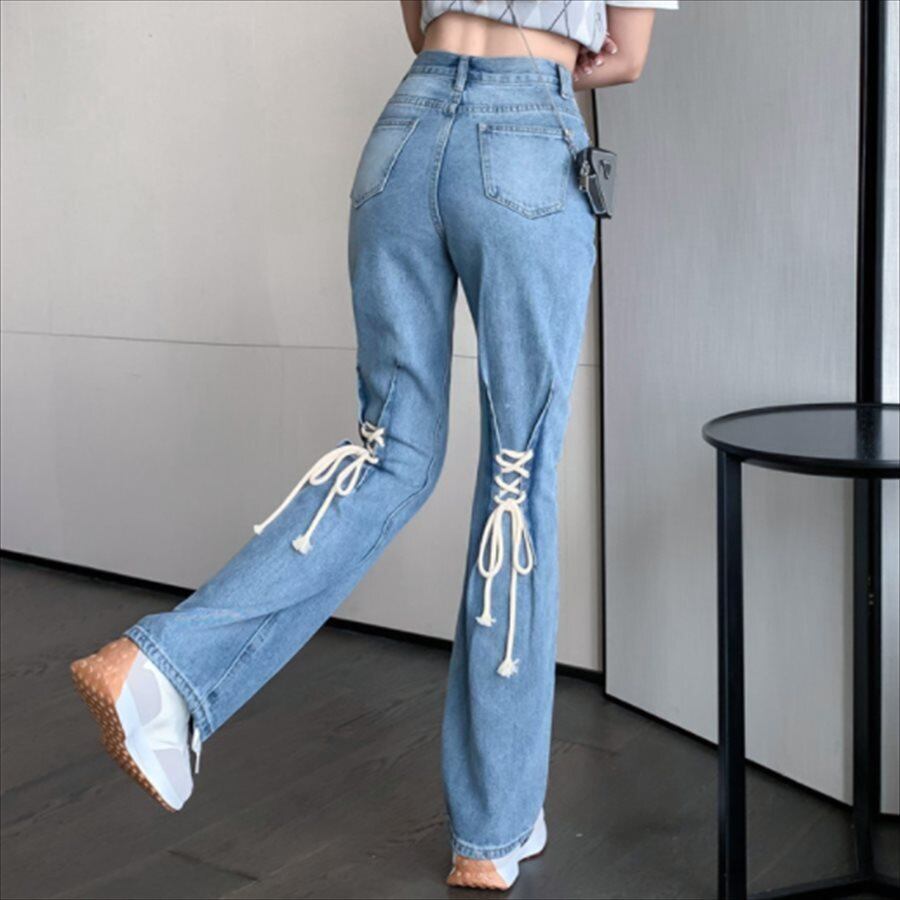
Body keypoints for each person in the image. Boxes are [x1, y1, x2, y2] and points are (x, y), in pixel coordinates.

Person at [70, 0, 677, 890]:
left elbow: (414, 15)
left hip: (405, 132)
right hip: (527, 139)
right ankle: (491, 831)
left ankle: (163, 666)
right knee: (517, 482)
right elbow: (626, 57)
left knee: (388, 451)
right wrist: (554, 58)